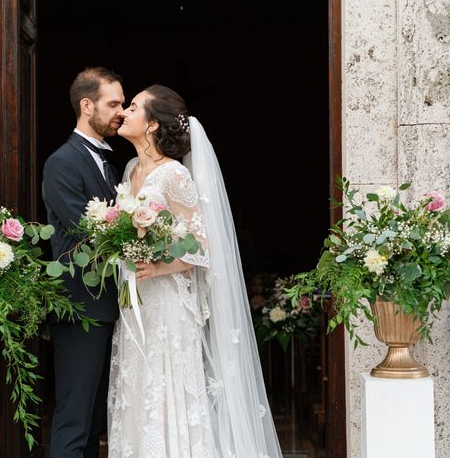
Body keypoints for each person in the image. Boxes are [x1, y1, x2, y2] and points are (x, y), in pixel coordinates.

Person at [108, 84, 282, 457]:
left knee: (167, 391)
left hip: (168, 306)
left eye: (134, 107)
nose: (125, 112)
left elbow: (203, 248)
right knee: (137, 392)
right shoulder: (130, 169)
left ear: (153, 125)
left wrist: (158, 265)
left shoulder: (173, 176)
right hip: (136, 301)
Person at [42, 67, 124, 458]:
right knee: (75, 419)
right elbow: (84, 230)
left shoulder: (106, 161)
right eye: (113, 104)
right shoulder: (62, 163)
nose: (120, 112)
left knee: (95, 421)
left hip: (105, 307)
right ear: (86, 105)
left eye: (123, 104)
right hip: (79, 308)